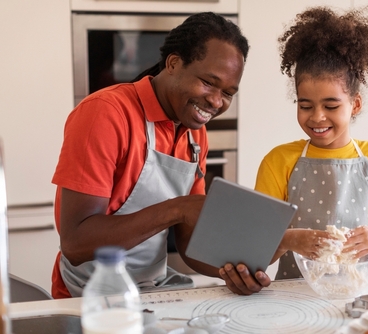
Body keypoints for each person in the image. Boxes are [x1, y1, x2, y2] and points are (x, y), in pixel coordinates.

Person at [51, 12, 271, 298]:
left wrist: (234, 270)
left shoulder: (194, 134)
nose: (216, 101)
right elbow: (76, 242)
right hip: (88, 298)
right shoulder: (105, 113)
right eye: (207, 82)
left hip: (150, 292)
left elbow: (191, 246)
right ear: (173, 63)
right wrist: (178, 208)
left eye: (228, 93)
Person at [255, 6, 368, 280]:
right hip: (292, 298)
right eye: (305, 105)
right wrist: (289, 239)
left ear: (355, 104)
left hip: (355, 298)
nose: (317, 117)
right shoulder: (278, 160)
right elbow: (257, 254)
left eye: (331, 105)